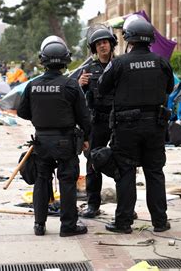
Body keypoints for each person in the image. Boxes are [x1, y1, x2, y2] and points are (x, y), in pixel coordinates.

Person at [98, 16, 174, 233]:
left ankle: (123, 223)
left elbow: (102, 88)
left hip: (126, 127)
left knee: (125, 172)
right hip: (155, 125)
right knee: (154, 172)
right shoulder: (161, 62)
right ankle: (160, 222)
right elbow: (168, 87)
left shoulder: (119, 63)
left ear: (128, 38)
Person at [17, 36, 91, 237]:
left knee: (42, 180)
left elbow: (22, 113)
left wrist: (40, 116)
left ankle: (39, 225)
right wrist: (86, 137)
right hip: (65, 141)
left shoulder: (33, 85)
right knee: (67, 181)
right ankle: (68, 226)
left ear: (43, 60)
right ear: (66, 60)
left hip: (41, 141)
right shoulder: (71, 85)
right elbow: (84, 116)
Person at [77, 28, 117, 218]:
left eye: (105, 42)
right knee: (92, 161)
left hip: (118, 119)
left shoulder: (119, 65)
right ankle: (93, 204)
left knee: (125, 161)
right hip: (98, 120)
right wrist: (81, 85)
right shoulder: (88, 69)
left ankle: (125, 206)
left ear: (111, 44)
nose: (102, 45)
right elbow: (81, 98)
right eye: (98, 43)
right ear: (94, 48)